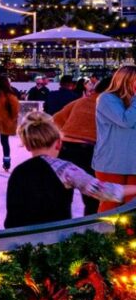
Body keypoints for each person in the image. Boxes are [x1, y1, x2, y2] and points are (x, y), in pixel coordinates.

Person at [6, 110, 134, 228]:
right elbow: (104, 191)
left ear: (27, 146)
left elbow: (12, 217)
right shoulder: (64, 169)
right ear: (58, 143)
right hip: (56, 240)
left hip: (20, 242)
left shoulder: (18, 172)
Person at [53, 77, 107, 215]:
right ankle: (90, 231)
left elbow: (57, 118)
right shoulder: (111, 104)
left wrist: (69, 132)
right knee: (93, 198)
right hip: (89, 151)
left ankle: (61, 231)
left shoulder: (81, 101)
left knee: (62, 198)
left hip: (66, 149)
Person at [93, 66, 136, 213]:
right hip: (111, 163)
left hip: (132, 163)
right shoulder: (107, 99)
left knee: (132, 209)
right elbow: (126, 121)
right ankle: (104, 235)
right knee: (110, 207)